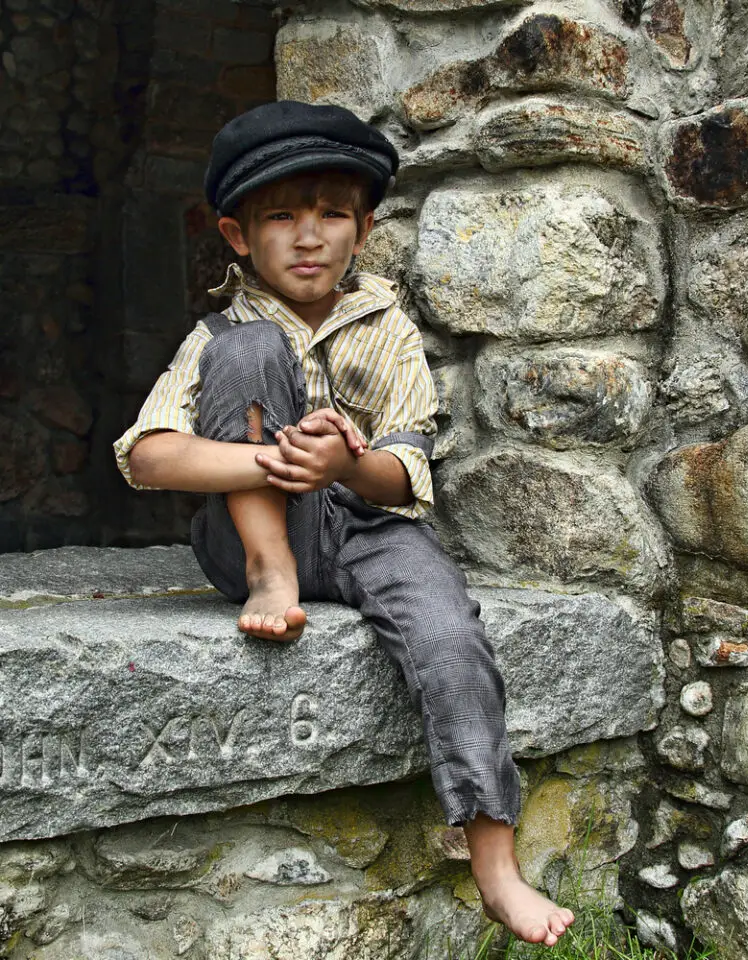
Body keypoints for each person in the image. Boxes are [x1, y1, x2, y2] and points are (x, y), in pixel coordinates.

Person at [113, 100, 575, 947]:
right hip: (251, 535)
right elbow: (149, 457)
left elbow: (404, 476)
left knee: (452, 639)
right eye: (281, 215)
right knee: (247, 357)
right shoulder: (222, 331)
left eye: (331, 213)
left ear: (362, 231)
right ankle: (271, 569)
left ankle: (496, 865)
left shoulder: (389, 327)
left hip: (371, 529)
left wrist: (342, 466)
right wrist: (278, 465)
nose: (308, 234)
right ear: (238, 235)